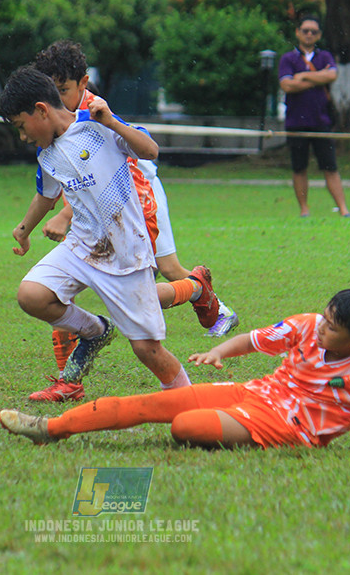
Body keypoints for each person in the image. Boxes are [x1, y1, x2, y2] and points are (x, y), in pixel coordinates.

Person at [0, 287, 350, 455]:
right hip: (255, 392)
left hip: (286, 427)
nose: (320, 327)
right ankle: (48, 430)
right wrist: (223, 353)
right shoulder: (309, 325)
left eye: (333, 328)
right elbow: (255, 338)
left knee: (185, 428)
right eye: (325, 317)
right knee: (155, 404)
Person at [26, 40, 239, 403]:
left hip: (138, 201)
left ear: (83, 85)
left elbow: (110, 173)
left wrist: (65, 213)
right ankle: (71, 379)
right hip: (92, 227)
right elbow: (68, 181)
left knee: (163, 274)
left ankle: (197, 287)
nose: (57, 100)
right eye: (51, 92)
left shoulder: (95, 116)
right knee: (56, 293)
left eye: (62, 90)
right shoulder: (53, 133)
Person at [1, 65, 194, 395]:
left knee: (147, 350)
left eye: (22, 126)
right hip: (82, 246)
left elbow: (150, 151)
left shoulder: (97, 124)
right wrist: (23, 229)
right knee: (31, 295)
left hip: (125, 254)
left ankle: (188, 399)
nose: (23, 136)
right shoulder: (46, 154)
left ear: (41, 110)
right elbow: (46, 195)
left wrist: (113, 122)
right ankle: (94, 330)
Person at [278, 15, 350, 218]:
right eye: (305, 30)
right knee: (299, 167)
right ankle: (304, 209)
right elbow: (287, 85)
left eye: (313, 31)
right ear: (298, 32)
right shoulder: (288, 59)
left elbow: (332, 75)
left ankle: (343, 209)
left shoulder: (325, 56)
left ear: (319, 35)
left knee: (330, 166)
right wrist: (317, 78)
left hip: (321, 121)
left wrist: (302, 76)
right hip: (296, 122)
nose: (309, 34)